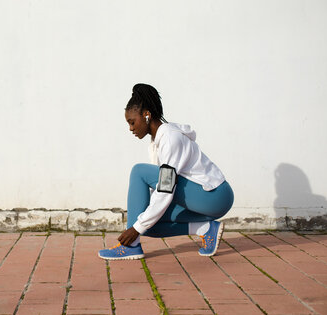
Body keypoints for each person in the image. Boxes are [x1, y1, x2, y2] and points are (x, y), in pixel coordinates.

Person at [98, 84, 234, 260]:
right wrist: (140, 224)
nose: (131, 128)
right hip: (202, 198)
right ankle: (207, 229)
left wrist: (135, 228)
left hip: (216, 196)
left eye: (132, 122)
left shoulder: (170, 138)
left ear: (146, 115)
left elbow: (165, 188)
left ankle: (131, 245)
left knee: (138, 172)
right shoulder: (158, 142)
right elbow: (163, 189)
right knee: (147, 221)